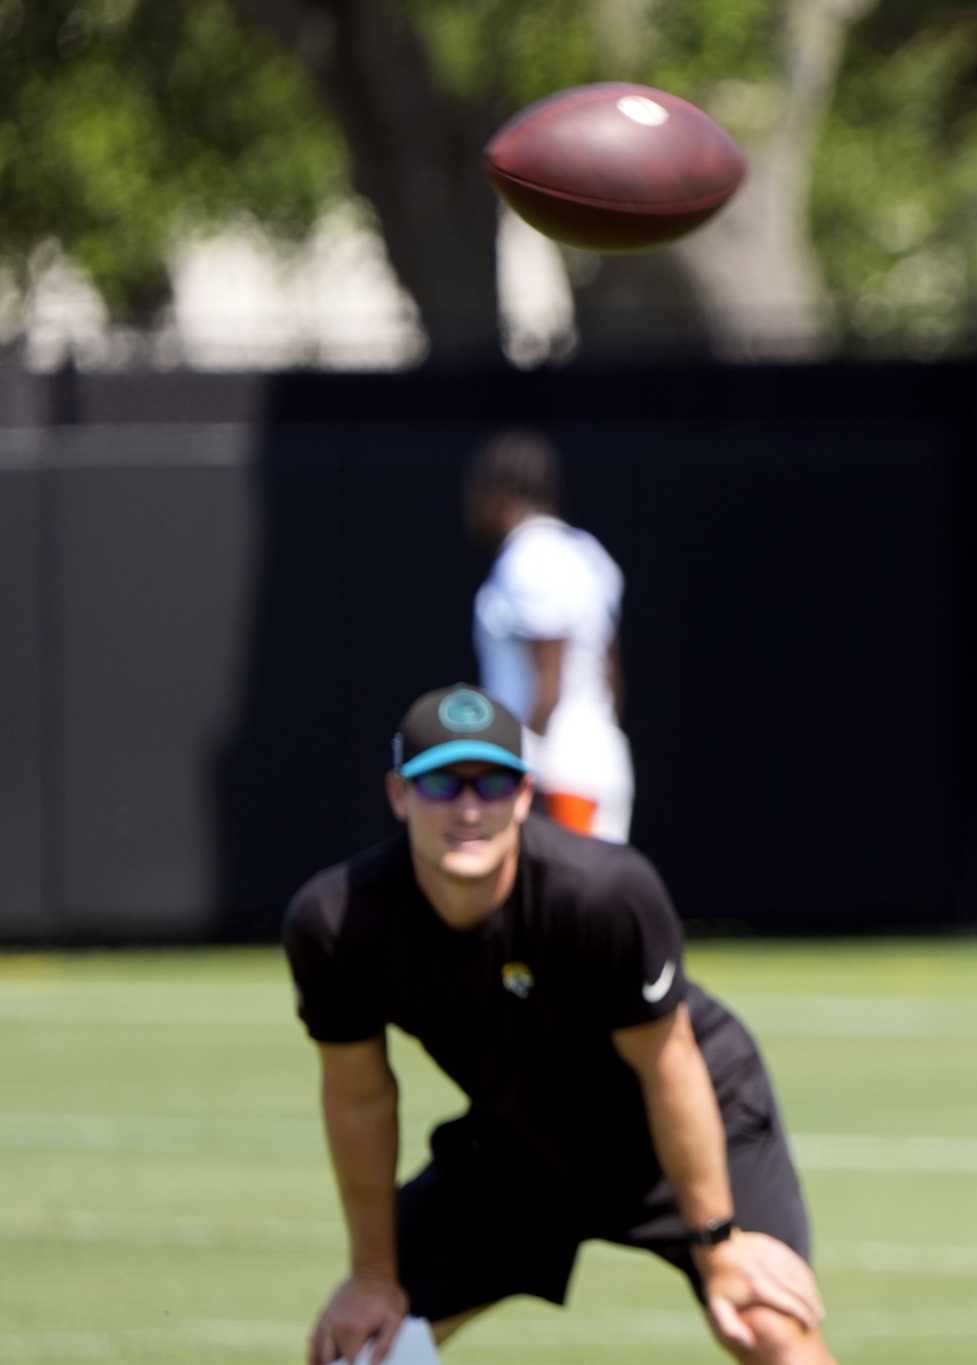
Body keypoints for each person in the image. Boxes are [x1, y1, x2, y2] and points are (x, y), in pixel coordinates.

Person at [284, 684, 834, 1365]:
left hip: (671, 1119)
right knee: (357, 1348)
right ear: (399, 794)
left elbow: (670, 1064)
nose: (467, 808)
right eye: (439, 785)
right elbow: (359, 1095)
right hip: (521, 1141)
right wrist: (372, 1274)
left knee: (762, 1321)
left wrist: (719, 1241)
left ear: (523, 795)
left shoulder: (603, 892)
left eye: (491, 782)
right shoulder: (338, 923)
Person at [468, 429, 634, 841]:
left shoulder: (531, 557)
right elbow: (612, 678)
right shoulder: (585, 551)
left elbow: (550, 681)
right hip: (594, 762)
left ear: (499, 491)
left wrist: (513, 772)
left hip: (554, 776)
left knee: (567, 901)